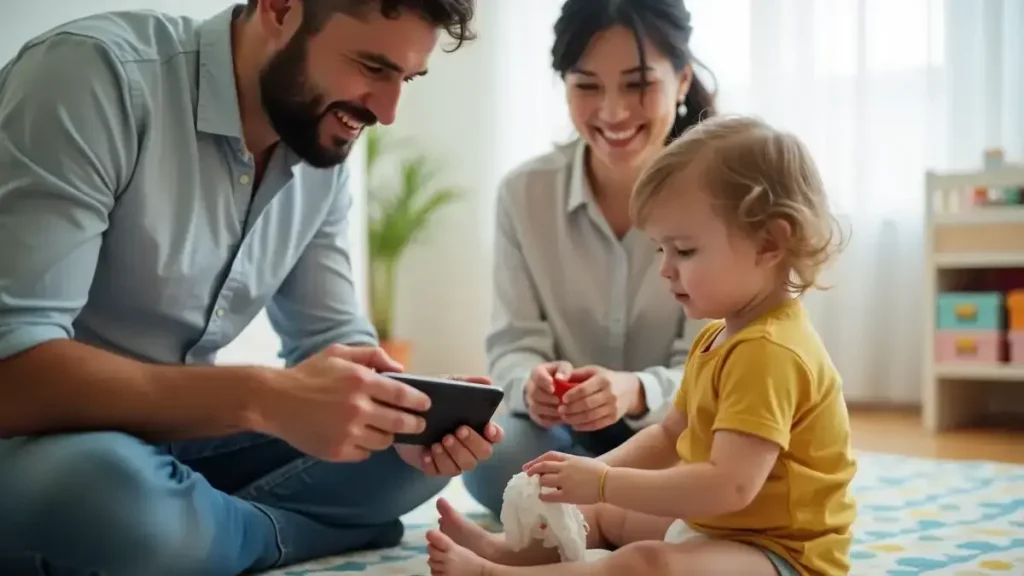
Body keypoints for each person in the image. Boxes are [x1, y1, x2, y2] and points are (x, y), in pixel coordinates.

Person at [0, 1, 503, 575]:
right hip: (47, 440)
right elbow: (12, 369)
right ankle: (292, 532)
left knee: (410, 461)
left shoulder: (317, 136)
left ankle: (208, 535)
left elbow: (331, 337)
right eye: (372, 66)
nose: (387, 112)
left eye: (405, 78)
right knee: (116, 501)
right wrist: (265, 398)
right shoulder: (93, 75)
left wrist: (394, 413)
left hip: (183, 441)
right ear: (281, 8)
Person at [425, 114, 858, 576]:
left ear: (770, 243)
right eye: (660, 250)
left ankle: (497, 575)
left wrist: (605, 481)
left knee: (646, 564)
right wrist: (583, 476)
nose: (666, 270)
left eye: (684, 251)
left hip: (781, 557)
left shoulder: (772, 352)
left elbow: (729, 486)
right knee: (612, 514)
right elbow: (670, 435)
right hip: (720, 529)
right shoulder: (719, 336)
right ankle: (503, 550)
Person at [462, 0, 717, 516]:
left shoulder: (720, 196)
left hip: (682, 428)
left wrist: (637, 391)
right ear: (565, 85)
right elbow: (513, 344)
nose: (613, 112)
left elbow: (722, 361)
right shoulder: (523, 194)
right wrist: (531, 385)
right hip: (558, 435)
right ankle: (621, 506)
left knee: (728, 457)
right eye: (587, 86)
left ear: (682, 79)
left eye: (637, 84)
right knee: (492, 456)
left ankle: (594, 505)